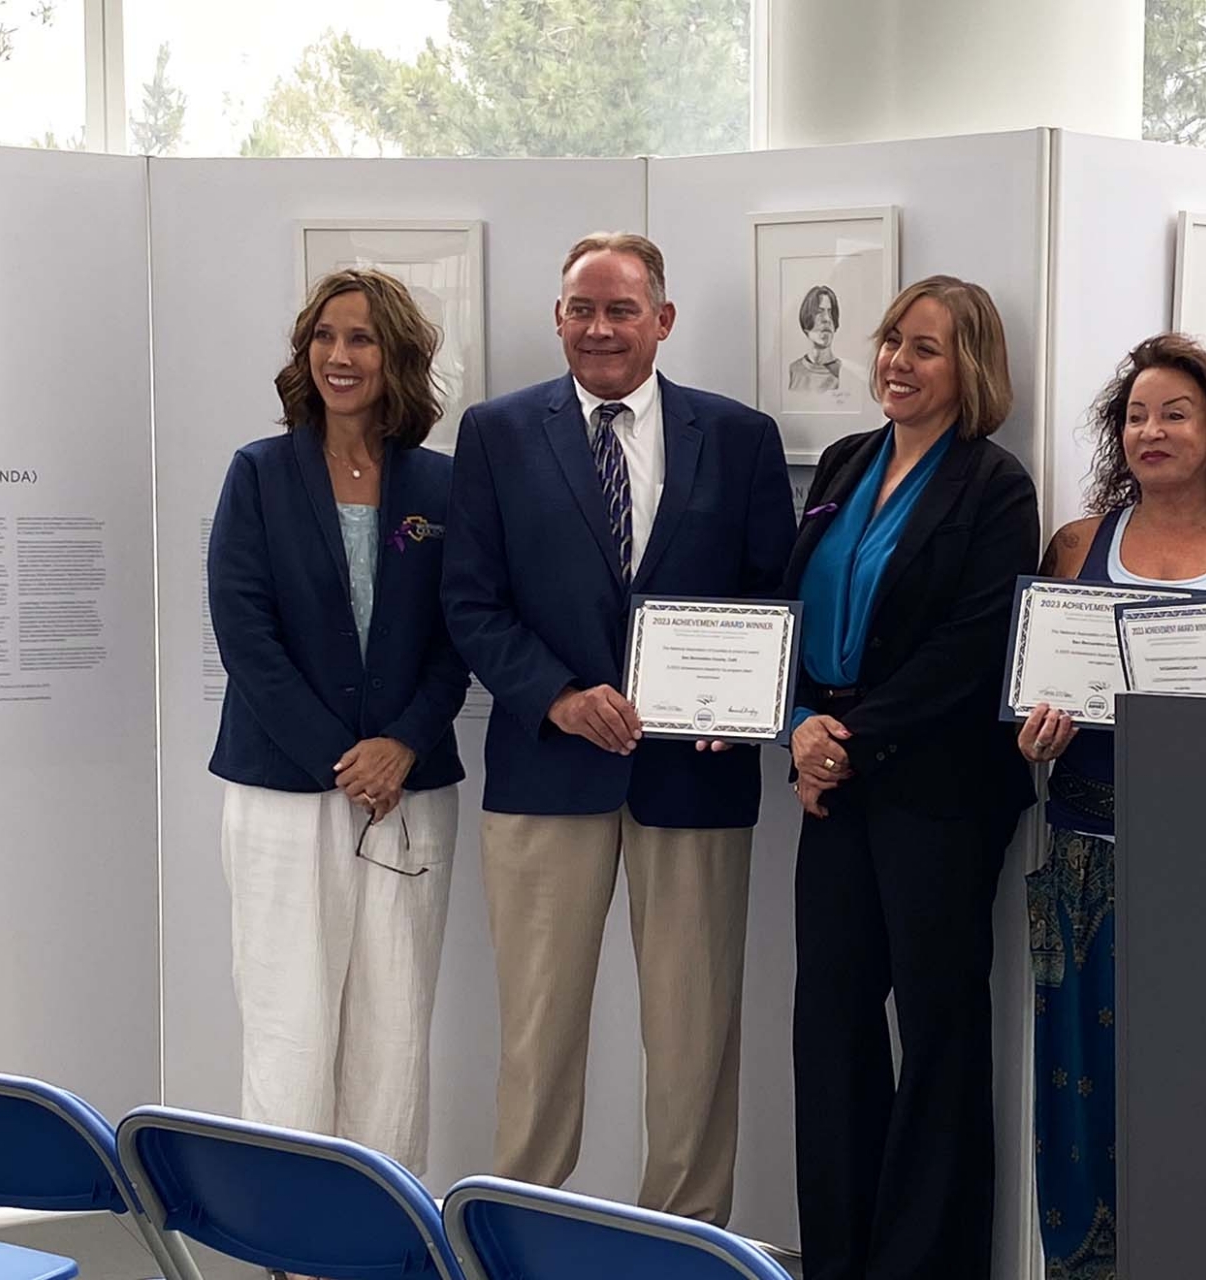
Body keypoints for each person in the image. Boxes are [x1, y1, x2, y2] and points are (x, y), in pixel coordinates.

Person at [441, 232, 794, 1223]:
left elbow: (772, 593)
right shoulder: (496, 433)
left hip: (697, 779)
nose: (599, 328)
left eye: (622, 309)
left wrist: (747, 702)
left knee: (693, 1039)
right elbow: (469, 602)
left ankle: (681, 1240)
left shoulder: (740, 436)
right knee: (537, 1036)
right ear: (558, 317)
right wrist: (555, 693)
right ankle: (518, 1233)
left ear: (663, 320)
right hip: (546, 771)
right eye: (581, 308)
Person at [783, 275, 1039, 1280]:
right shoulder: (846, 461)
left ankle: (923, 1262)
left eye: (925, 347)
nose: (896, 359)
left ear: (968, 366)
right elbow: (796, 603)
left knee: (937, 1032)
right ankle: (838, 1258)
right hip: (835, 776)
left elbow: (975, 646)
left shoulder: (995, 482)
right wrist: (804, 724)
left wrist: (848, 735)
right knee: (831, 1027)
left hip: (937, 787)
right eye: (892, 339)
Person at [1016, 333, 1206, 1280]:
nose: (1151, 430)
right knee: (1083, 1102)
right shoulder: (1079, 544)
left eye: (1175, 412)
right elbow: (1032, 692)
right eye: (1135, 414)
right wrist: (1034, 734)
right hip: (1087, 857)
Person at [208, 267, 468, 1172]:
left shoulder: (441, 484)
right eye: (324, 336)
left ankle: (377, 1240)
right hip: (285, 788)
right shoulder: (259, 473)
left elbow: (460, 631)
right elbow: (245, 633)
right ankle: (292, 1247)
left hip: (410, 790)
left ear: (395, 356)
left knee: (395, 1028)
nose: (339, 355)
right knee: (290, 1019)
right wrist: (342, 758)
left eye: (360, 338)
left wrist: (400, 746)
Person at [789, 283, 844, 392]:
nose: (827, 319)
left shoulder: (843, 372)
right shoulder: (793, 370)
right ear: (807, 319)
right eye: (819, 312)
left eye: (830, 312)